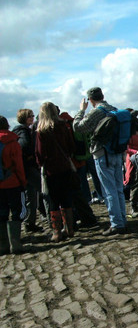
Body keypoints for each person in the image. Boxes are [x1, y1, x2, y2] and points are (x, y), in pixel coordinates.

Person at [73, 87, 128, 236]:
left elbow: (78, 127)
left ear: (90, 100)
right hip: (117, 152)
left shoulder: (97, 111)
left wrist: (81, 111)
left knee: (108, 189)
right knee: (118, 189)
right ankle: (122, 219)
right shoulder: (113, 109)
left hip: (102, 153)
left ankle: (116, 224)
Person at [35, 102, 76, 242]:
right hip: (65, 166)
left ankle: (57, 232)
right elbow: (71, 146)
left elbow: (40, 153)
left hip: (51, 169)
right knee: (66, 198)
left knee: (53, 200)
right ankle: (69, 228)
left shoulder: (42, 130)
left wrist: (41, 164)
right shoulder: (63, 126)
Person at [12, 109, 43, 233]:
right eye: (30, 116)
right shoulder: (23, 131)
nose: (32, 117)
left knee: (30, 197)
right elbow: (24, 145)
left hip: (25, 168)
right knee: (42, 191)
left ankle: (30, 222)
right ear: (24, 118)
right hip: (29, 168)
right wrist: (31, 154)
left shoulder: (19, 130)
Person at [0, 115, 27, 254]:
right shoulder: (12, 142)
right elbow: (18, 165)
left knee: (1, 213)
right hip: (12, 182)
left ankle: (2, 245)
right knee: (17, 212)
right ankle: (15, 243)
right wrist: (23, 181)